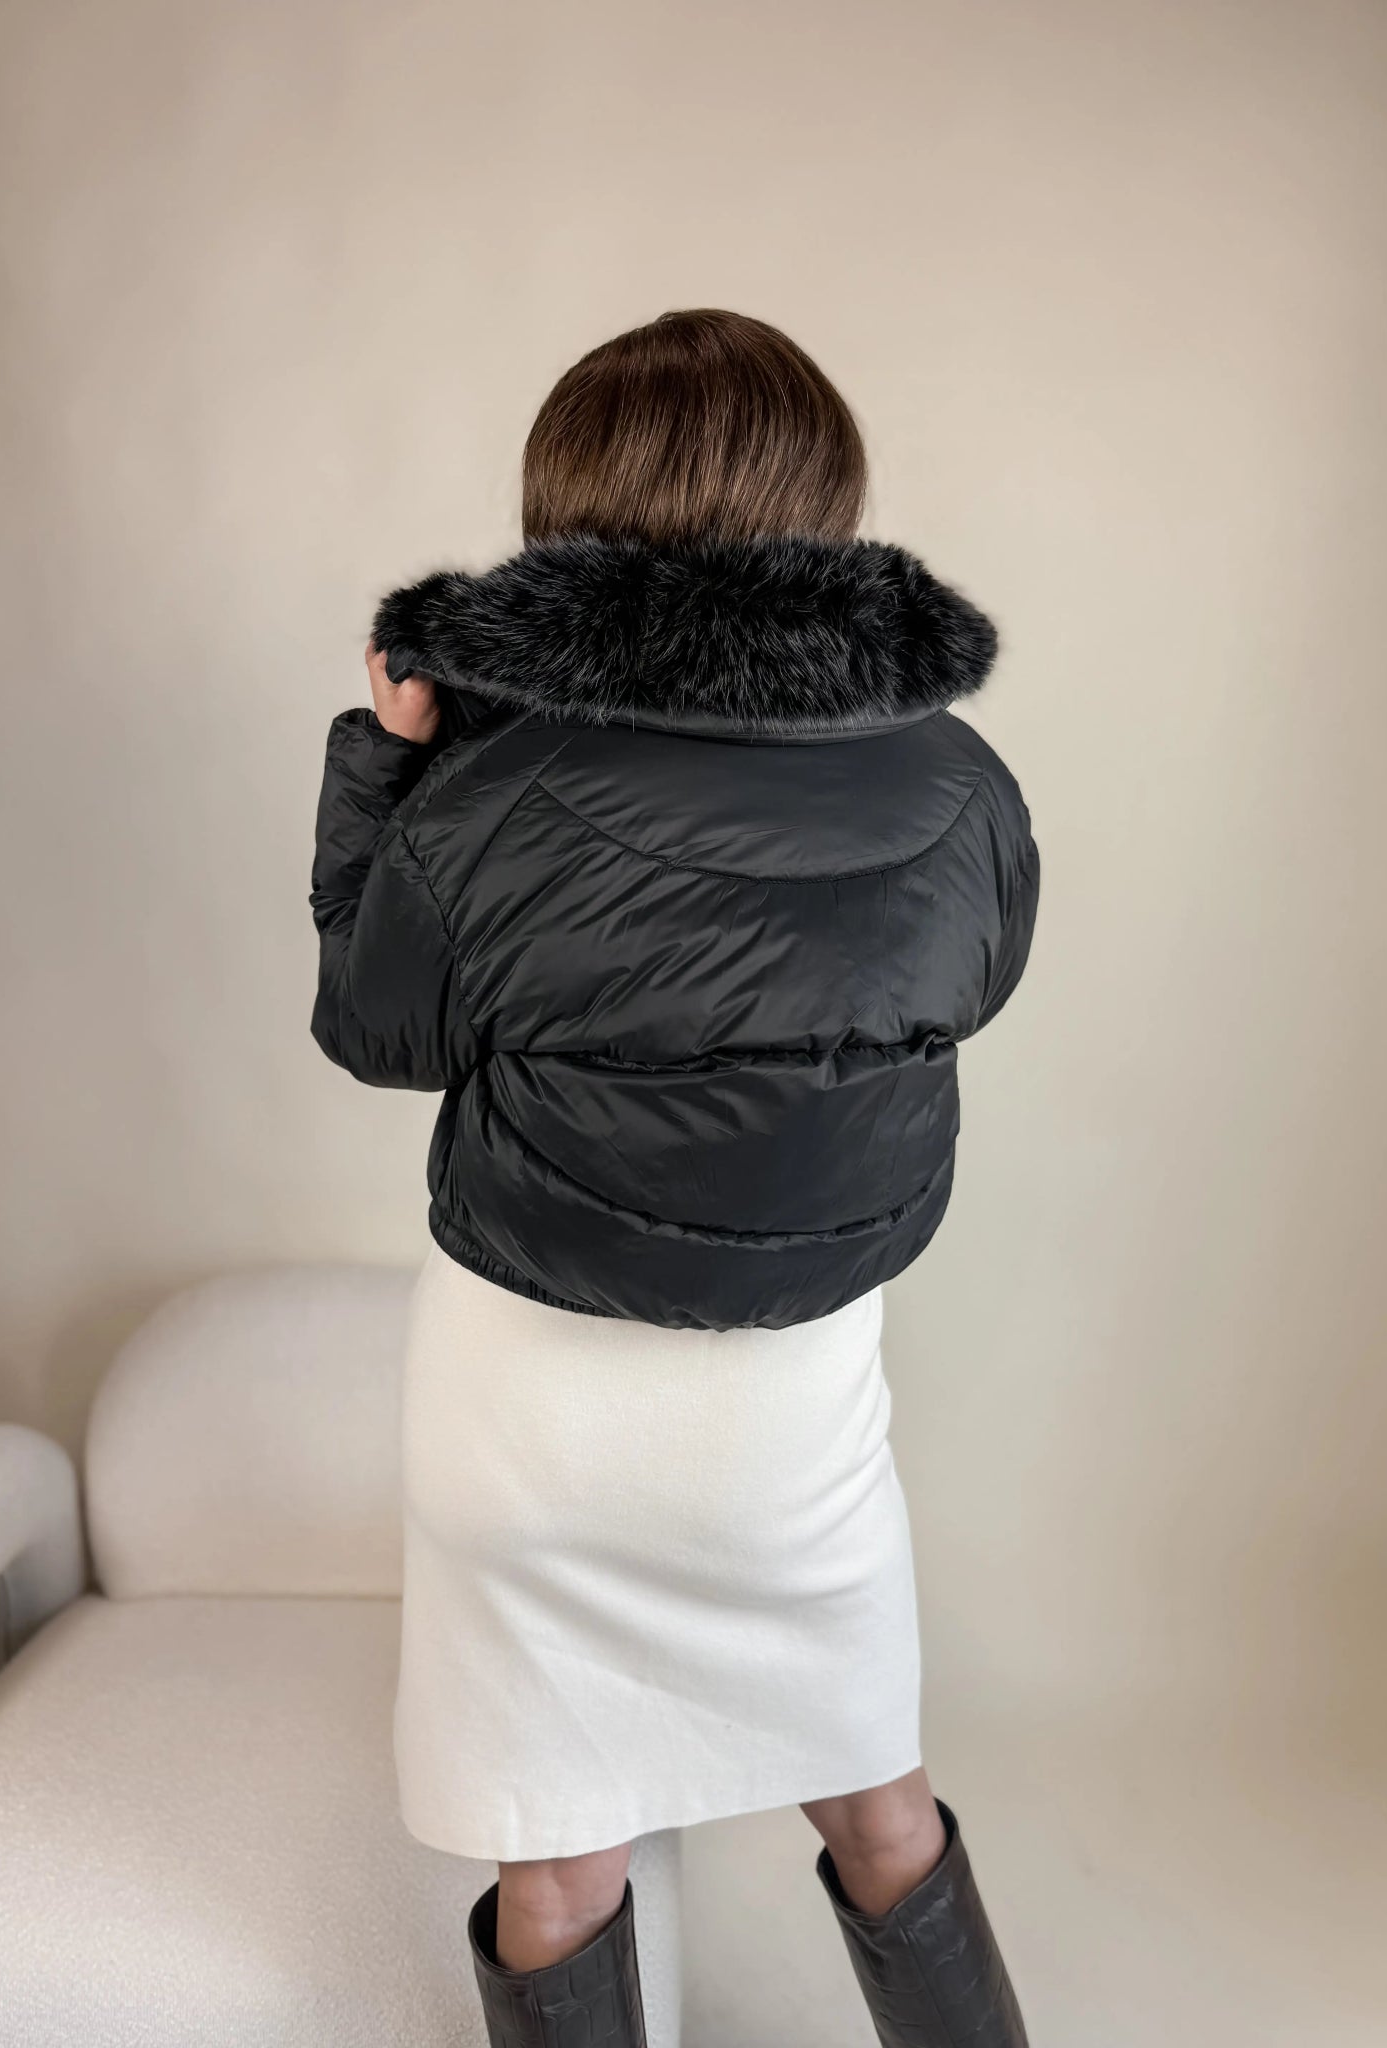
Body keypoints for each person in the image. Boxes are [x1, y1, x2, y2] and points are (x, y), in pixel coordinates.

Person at [309, 308, 1039, 2048]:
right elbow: (970, 989)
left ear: (570, 508)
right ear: (824, 500)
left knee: (561, 1864)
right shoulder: (962, 782)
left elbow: (374, 1027)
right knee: (880, 1806)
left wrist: (392, 760)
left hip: (531, 1414)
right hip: (790, 1413)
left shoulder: (489, 793)